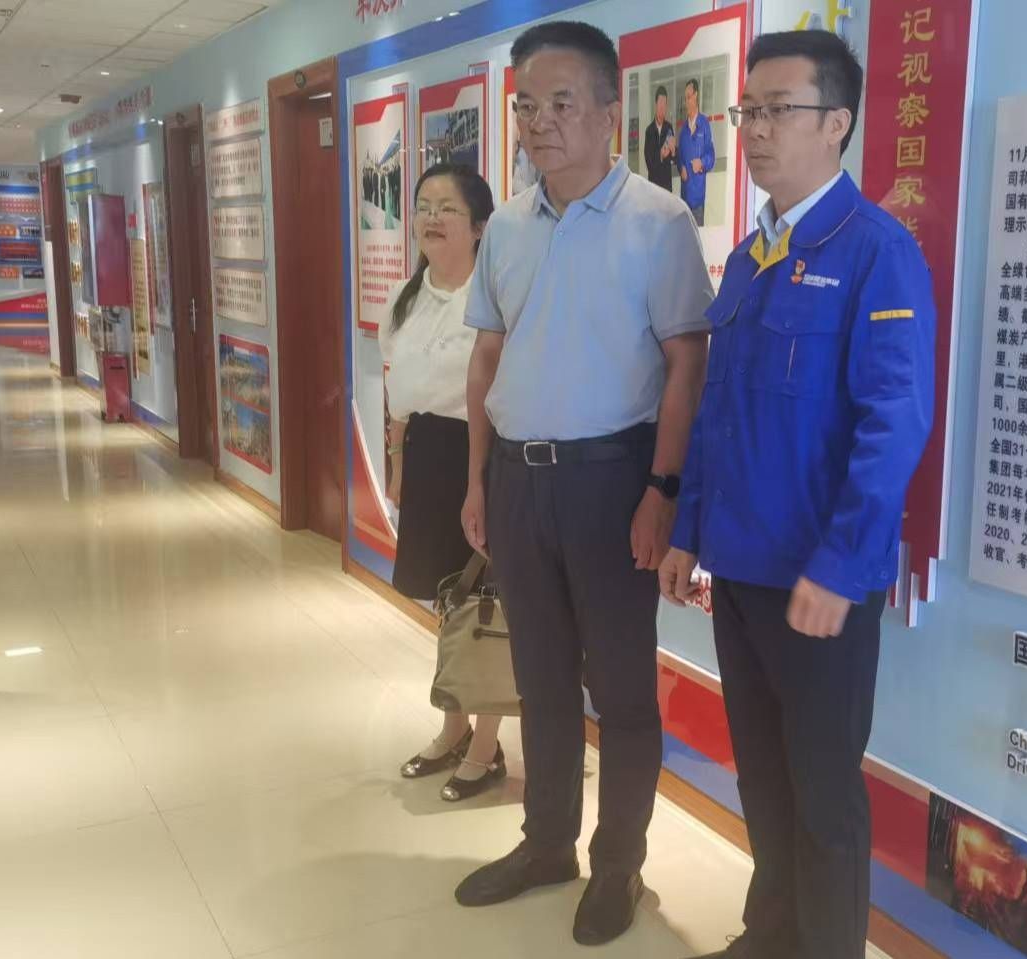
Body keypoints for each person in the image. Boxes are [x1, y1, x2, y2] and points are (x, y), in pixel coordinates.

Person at [659, 31, 935, 959]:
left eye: (780, 110)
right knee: (765, 781)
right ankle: (771, 933)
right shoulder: (751, 254)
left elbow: (893, 423)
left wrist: (842, 566)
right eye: (749, 111)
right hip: (739, 572)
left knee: (823, 797)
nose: (756, 130)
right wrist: (688, 531)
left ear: (837, 123)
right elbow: (718, 412)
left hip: (817, 581)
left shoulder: (875, 251)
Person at [455, 20, 712, 948]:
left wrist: (663, 488)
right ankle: (547, 843)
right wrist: (477, 481)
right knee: (541, 678)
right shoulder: (507, 227)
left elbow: (687, 365)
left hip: (612, 483)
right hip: (517, 481)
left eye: (562, 103)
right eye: (527, 105)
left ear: (610, 110)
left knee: (623, 690)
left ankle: (618, 864)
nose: (540, 122)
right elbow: (487, 358)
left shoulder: (658, 220)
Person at [383, 163, 509, 803]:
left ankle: (487, 747)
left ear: (480, 226)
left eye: (447, 208)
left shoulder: (495, 300)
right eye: (423, 206)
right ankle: (454, 726)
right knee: (445, 602)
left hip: (480, 459)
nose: (431, 218)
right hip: (427, 456)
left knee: (486, 602)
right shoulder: (405, 299)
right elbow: (397, 397)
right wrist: (397, 464)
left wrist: (481, 481)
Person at [676, 78, 715, 225]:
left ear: (696, 95)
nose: (686, 102)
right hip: (684, 200)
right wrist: (681, 167)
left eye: (689, 97)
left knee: (699, 236)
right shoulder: (683, 130)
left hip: (698, 199)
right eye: (685, 98)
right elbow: (679, 156)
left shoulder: (704, 124)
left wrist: (701, 162)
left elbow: (711, 156)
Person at [641, 86, 677, 192]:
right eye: (660, 103)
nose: (662, 107)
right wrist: (660, 155)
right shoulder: (649, 131)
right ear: (656, 104)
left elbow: (674, 160)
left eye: (664, 104)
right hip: (654, 187)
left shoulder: (669, 128)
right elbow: (649, 163)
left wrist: (673, 152)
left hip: (667, 186)